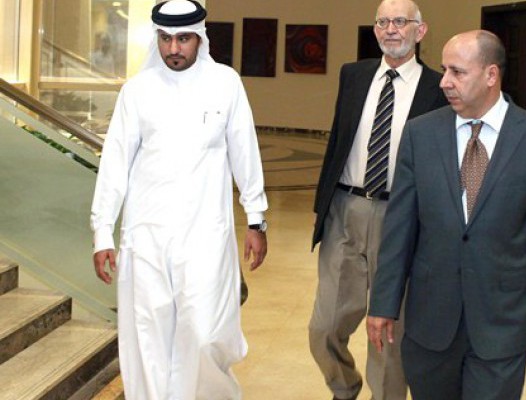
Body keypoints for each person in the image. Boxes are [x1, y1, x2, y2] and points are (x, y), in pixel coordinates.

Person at [367, 30, 526, 400]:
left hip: (501, 323)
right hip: (431, 324)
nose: (444, 81)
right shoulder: (420, 134)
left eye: (457, 72)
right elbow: (400, 230)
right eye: (444, 69)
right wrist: (383, 304)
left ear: (491, 75)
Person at [90, 1, 268, 398]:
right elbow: (115, 164)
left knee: (205, 335)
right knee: (147, 339)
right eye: (166, 39)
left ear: (200, 38)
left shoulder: (225, 83)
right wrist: (103, 231)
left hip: (206, 235)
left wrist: (256, 219)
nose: (174, 48)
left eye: (183, 39)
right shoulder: (137, 91)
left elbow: (245, 153)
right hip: (146, 236)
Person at [309, 1, 446, 399]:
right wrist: (322, 208)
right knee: (324, 326)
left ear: (420, 30)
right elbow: (338, 139)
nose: (391, 29)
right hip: (345, 210)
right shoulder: (353, 75)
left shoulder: (437, 89)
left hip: (401, 217)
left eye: (400, 21)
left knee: (387, 331)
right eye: (383, 22)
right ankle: (344, 387)